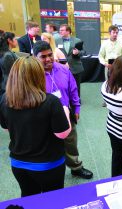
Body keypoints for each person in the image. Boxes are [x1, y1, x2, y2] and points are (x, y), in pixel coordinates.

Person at [0, 56, 71, 197]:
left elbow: (6, 128)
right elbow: (62, 133)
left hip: (19, 164)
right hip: (48, 165)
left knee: (28, 197)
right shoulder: (51, 101)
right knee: (53, 200)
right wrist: (66, 112)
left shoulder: (5, 100)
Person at [33, 41, 93, 179]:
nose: (48, 59)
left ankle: (75, 167)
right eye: (43, 57)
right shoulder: (33, 75)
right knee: (47, 144)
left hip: (66, 114)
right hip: (43, 117)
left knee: (71, 142)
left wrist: (77, 108)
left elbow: (73, 90)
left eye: (50, 55)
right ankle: (50, 170)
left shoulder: (64, 69)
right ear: (35, 57)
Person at [56, 24, 85, 97]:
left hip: (75, 67)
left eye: (62, 30)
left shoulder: (77, 40)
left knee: (76, 85)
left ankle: (77, 99)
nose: (60, 32)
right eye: (60, 30)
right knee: (64, 85)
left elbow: (84, 52)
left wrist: (78, 52)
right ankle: (66, 99)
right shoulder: (56, 41)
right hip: (61, 67)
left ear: (68, 31)